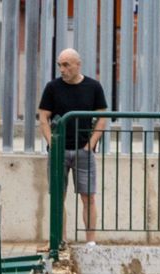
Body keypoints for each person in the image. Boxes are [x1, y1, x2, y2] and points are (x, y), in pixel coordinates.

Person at [38, 49, 108, 245]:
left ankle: (91, 242)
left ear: (78, 64)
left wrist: (91, 144)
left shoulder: (93, 86)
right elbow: (43, 116)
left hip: (83, 150)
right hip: (59, 150)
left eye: (66, 64)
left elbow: (103, 115)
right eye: (60, 64)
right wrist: (53, 143)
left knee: (88, 197)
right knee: (58, 198)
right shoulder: (53, 87)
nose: (62, 69)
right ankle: (61, 240)